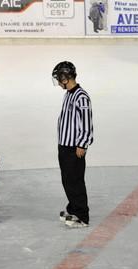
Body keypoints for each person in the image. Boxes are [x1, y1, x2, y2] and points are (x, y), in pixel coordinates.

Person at [52, 61, 94, 228]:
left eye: (58, 78)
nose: (58, 82)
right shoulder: (68, 94)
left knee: (75, 180)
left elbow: (86, 123)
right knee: (67, 179)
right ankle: (73, 208)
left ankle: (82, 216)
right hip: (64, 145)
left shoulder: (81, 97)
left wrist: (82, 145)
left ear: (65, 78)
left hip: (74, 147)